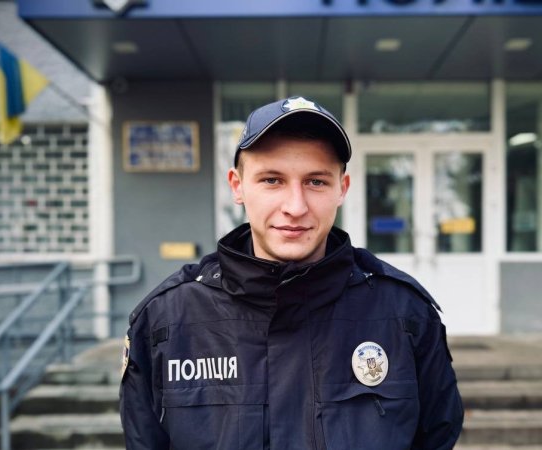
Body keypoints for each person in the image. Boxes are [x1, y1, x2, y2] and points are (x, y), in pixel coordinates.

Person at [120, 96, 464, 449]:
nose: (296, 207)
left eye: (316, 182)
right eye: (272, 180)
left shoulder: (404, 313)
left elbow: (437, 435)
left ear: (342, 189)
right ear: (237, 186)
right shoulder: (167, 320)